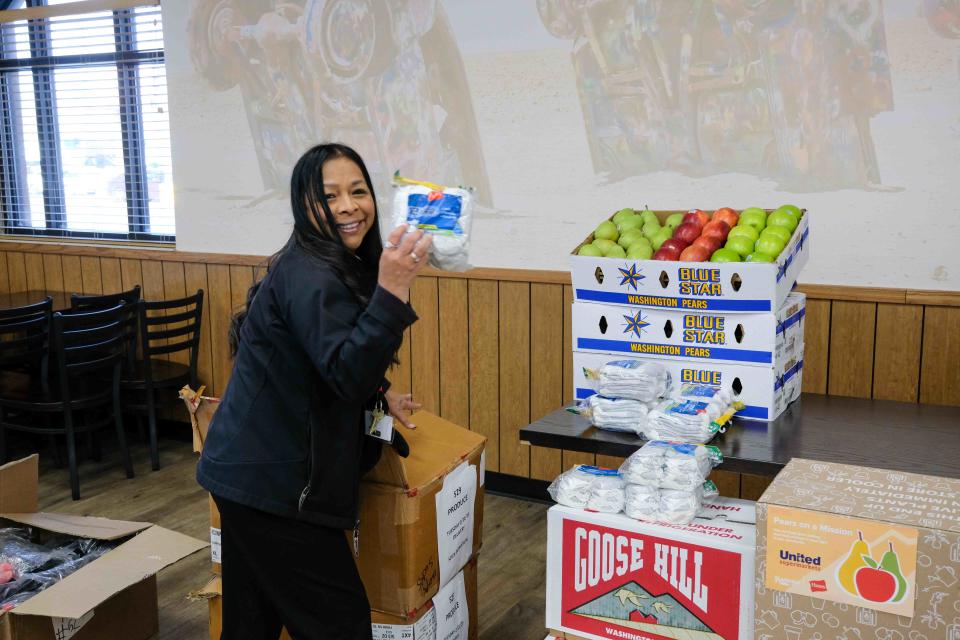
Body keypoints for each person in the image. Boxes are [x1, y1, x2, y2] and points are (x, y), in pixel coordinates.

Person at [197, 143, 432, 639]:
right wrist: (392, 291)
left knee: (250, 624)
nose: (348, 206)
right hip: (274, 488)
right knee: (338, 625)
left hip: (248, 474)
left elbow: (324, 358)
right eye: (329, 196)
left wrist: (379, 392)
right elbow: (344, 371)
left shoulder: (327, 262)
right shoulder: (310, 272)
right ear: (304, 206)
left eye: (358, 191)